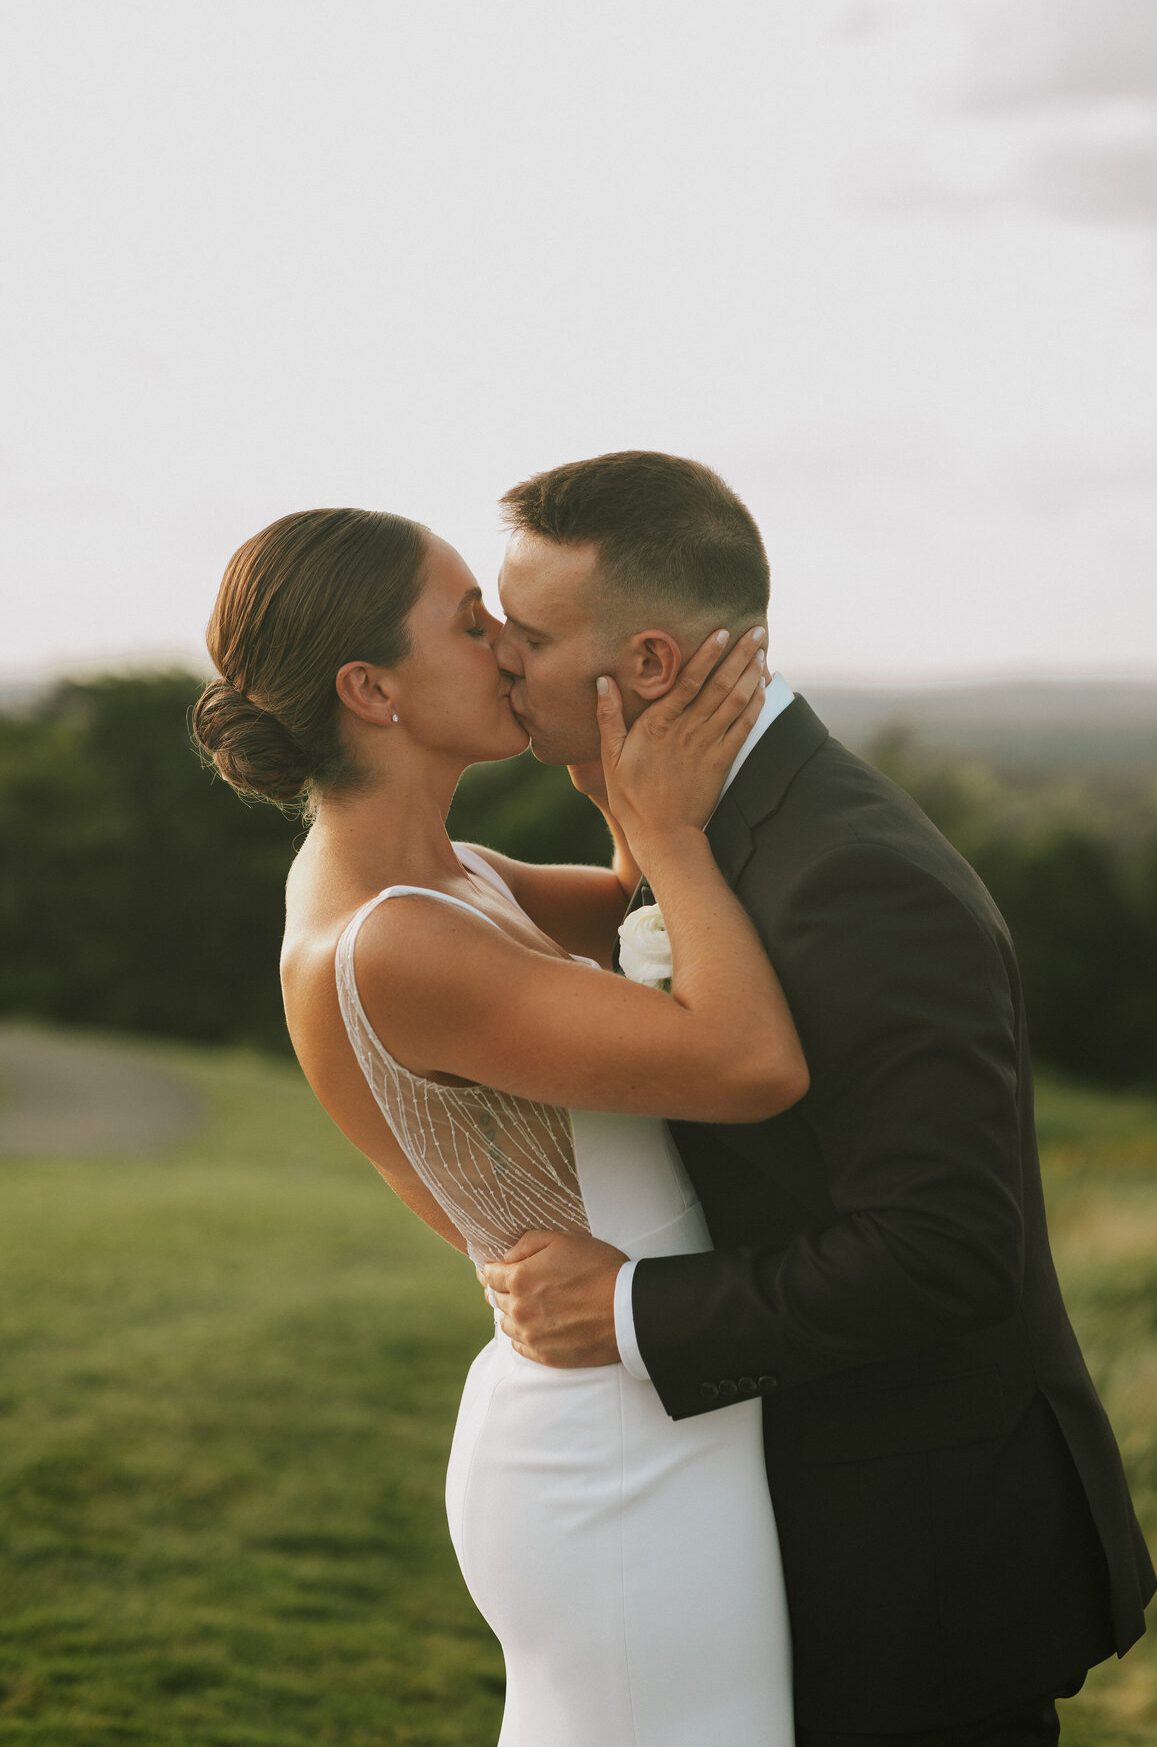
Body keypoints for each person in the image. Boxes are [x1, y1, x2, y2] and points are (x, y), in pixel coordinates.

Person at [481, 449, 1157, 1747]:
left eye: (532, 630)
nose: (505, 654)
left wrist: (622, 1305)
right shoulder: (705, 818)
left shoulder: (851, 873)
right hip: (800, 1511)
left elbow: (946, 1249)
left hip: (918, 1552)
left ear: (656, 666)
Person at [191, 505, 810, 1747]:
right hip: (614, 1451)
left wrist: (609, 771)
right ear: (371, 687)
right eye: (471, 622)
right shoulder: (393, 935)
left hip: (651, 1396)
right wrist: (670, 820)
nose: (510, 646)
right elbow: (747, 1058)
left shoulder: (454, 872)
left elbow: (661, 916)